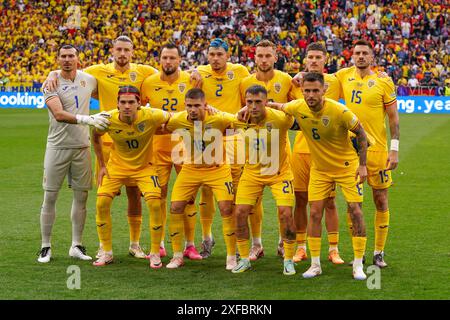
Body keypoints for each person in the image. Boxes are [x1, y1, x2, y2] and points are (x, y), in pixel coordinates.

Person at [45, 36, 159, 259]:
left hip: (133, 142)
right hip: (105, 140)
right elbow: (70, 73)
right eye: (119, 50)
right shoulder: (97, 71)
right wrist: (52, 73)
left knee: (134, 193)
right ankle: (103, 246)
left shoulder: (145, 72)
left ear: (133, 52)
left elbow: (165, 76)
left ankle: (135, 244)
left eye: (127, 50)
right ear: (112, 51)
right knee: (104, 196)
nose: (122, 54)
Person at [273, 72, 369, 280]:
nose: (310, 95)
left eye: (315, 90)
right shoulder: (298, 106)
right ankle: (315, 264)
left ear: (324, 90)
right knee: (315, 212)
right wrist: (253, 107)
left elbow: (361, 133)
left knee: (355, 211)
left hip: (347, 167)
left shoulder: (339, 110)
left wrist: (362, 166)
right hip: (320, 169)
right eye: (306, 90)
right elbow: (280, 107)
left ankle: (359, 264)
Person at [37, 45, 109, 263]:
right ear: (58, 59)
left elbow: (109, 90)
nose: (67, 60)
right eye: (63, 56)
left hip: (82, 147)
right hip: (57, 146)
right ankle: (45, 246)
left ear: (78, 59)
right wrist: (87, 119)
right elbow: (58, 114)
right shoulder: (51, 83)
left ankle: (76, 245)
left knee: (81, 197)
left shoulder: (89, 79)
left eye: (71, 56)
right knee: (50, 196)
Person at [335, 39, 399, 268]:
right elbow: (318, 78)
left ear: (372, 57)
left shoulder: (384, 81)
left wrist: (394, 149)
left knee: (381, 200)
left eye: (365, 53)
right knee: (354, 205)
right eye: (357, 53)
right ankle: (358, 253)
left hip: (378, 151)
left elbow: (393, 118)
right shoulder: (343, 76)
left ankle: (379, 252)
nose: (360, 56)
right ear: (352, 56)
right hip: (352, 151)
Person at [92, 85, 169, 268]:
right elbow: (95, 137)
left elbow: (175, 118)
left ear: (139, 104)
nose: (127, 106)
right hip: (116, 168)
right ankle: (107, 252)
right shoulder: (107, 119)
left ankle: (154, 252)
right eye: (123, 102)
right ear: (117, 104)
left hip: (145, 168)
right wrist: (102, 165)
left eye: (131, 102)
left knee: (155, 204)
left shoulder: (151, 115)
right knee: (101, 203)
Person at [163, 88, 237, 270]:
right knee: (176, 206)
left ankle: (231, 256)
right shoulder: (178, 119)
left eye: (197, 106)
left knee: (226, 208)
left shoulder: (218, 118)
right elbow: (163, 125)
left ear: (205, 105)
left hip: (217, 169)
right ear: (185, 106)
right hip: (191, 168)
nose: (193, 109)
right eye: (189, 106)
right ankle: (177, 256)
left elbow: (239, 122)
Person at [239, 39, 299, 261]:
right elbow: (241, 112)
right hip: (253, 146)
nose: (263, 60)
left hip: (280, 146)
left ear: (275, 57)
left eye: (268, 56)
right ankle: (256, 244)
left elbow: (296, 108)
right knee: (252, 200)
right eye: (260, 56)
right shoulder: (244, 82)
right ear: (254, 58)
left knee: (282, 200)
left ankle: (284, 242)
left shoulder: (286, 80)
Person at [140, 43, 201, 260]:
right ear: (160, 59)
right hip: (158, 147)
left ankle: (190, 245)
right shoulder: (148, 83)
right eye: (165, 57)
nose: (168, 62)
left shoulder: (191, 80)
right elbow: (139, 111)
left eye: (172, 58)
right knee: (158, 197)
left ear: (180, 59)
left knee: (189, 198)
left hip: (185, 146)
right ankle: (159, 245)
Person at [232, 85, 297, 275]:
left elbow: (303, 115)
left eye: (258, 102)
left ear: (266, 102)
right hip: (252, 173)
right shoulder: (239, 120)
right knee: (240, 213)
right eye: (249, 102)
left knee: (286, 214)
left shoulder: (281, 119)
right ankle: (244, 259)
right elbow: (217, 118)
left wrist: (280, 106)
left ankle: (288, 259)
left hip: (279, 173)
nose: (253, 106)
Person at [289, 42, 345, 264]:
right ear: (305, 60)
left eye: (318, 57)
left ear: (325, 60)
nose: (313, 60)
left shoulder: (336, 81)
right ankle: (301, 247)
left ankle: (333, 249)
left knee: (329, 202)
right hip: (301, 149)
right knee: (300, 200)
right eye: (310, 57)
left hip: (326, 153)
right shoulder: (294, 82)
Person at [195, 39, 250, 258]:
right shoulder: (199, 72)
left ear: (228, 56)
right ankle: (207, 237)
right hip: (209, 138)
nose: (215, 58)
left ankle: (238, 242)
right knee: (206, 188)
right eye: (211, 54)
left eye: (219, 54)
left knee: (235, 192)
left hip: (234, 137)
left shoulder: (240, 71)